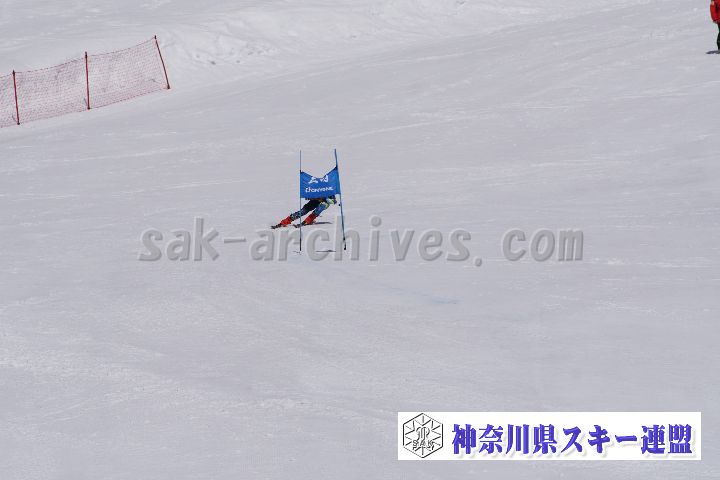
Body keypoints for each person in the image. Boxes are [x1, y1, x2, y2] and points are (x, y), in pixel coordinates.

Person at [272, 195, 338, 229]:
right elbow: (307, 197)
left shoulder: (329, 190)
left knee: (319, 208)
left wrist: (324, 199)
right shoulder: (315, 188)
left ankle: (308, 220)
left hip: (324, 203)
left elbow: (334, 201)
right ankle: (285, 221)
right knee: (303, 211)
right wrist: (314, 198)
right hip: (315, 200)